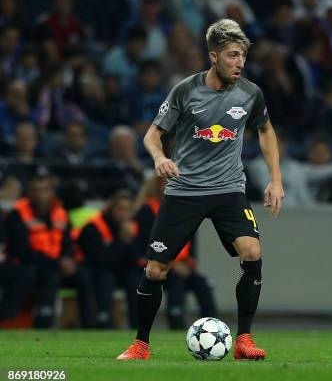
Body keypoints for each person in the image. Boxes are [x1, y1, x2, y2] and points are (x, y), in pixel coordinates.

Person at [117, 19, 284, 360]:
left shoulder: (251, 93)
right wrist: (159, 157)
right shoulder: (185, 90)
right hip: (184, 191)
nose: (240, 63)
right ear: (213, 56)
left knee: (252, 253)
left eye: (243, 56)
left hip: (229, 189)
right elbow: (152, 134)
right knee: (155, 270)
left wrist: (276, 178)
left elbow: (266, 131)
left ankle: (244, 341)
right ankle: (140, 345)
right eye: (233, 55)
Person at [4, 169, 91, 328]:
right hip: (29, 265)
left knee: (84, 275)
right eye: (35, 190)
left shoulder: (61, 213)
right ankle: (42, 319)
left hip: (55, 264)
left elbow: (67, 243)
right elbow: (21, 251)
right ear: (28, 192)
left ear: (52, 192)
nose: (40, 195)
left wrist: (67, 258)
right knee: (49, 274)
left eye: (45, 190)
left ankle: (91, 325)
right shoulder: (18, 214)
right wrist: (59, 261)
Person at [134, 176, 217, 329]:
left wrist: (189, 264)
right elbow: (145, 244)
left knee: (202, 284)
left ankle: (212, 326)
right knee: (176, 279)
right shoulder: (147, 210)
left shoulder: (185, 210)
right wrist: (172, 264)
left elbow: (191, 245)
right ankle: (176, 321)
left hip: (182, 266)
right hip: (156, 265)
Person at [77, 190, 141, 328]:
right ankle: (104, 318)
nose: (124, 214)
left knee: (134, 278)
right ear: (111, 208)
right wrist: (123, 242)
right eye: (120, 209)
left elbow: (136, 259)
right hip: (95, 270)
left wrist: (128, 242)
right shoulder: (93, 226)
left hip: (121, 271)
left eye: (128, 210)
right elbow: (100, 259)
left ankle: (137, 325)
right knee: (105, 276)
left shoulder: (133, 227)